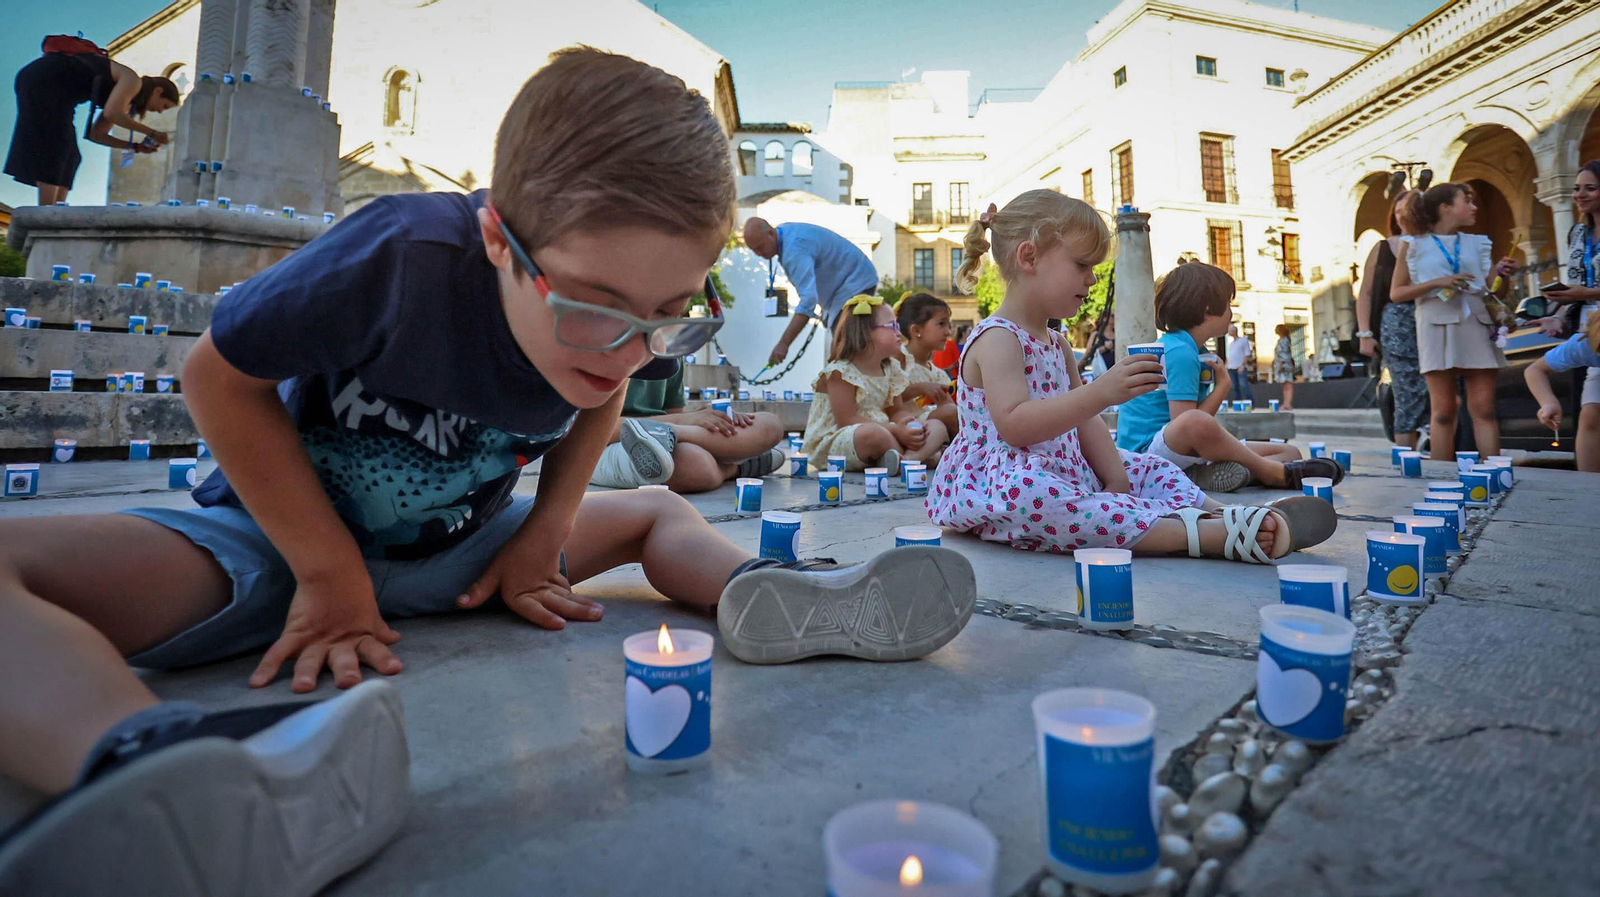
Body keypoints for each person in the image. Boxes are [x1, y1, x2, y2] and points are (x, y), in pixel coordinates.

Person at [0, 49, 978, 895]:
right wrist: (329, 574)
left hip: (466, 552)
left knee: (646, 515)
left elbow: (598, 399)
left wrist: (543, 537)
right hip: (279, 551)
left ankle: (782, 598)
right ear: (498, 240)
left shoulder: (635, 321)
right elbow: (216, 376)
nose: (632, 349)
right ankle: (155, 772)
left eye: (670, 313)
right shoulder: (397, 254)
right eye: (595, 307)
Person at [929, 194, 1336, 562]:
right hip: (1008, 482)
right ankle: (1201, 535)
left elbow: (1085, 423)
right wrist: (1100, 393)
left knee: (1150, 468)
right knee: (1043, 501)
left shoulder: (1056, 342)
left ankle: (1217, 511)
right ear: (1029, 257)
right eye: (1082, 265)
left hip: (1066, 466)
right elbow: (1015, 425)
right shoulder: (999, 338)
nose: (1091, 279)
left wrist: (1117, 478)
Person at [1114, 264, 1338, 493]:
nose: (1231, 313)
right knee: (1195, 423)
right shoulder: (1178, 352)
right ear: (1208, 308)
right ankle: (1271, 474)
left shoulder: (1194, 351)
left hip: (1175, 450)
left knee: (1290, 453)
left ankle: (1197, 477)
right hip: (1145, 456)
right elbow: (1186, 423)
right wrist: (1223, 386)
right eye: (1229, 304)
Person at [1391, 182, 1515, 461]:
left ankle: (1494, 474)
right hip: (1435, 325)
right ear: (1445, 207)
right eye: (1466, 201)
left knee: (1484, 409)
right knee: (1444, 411)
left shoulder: (1478, 242)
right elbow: (1396, 293)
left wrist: (1503, 274)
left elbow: (1493, 291)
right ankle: (1442, 477)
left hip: (1476, 322)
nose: (1473, 207)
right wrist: (1438, 282)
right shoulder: (1412, 245)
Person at [5, 39, 178, 205]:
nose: (160, 111)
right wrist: (152, 133)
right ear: (157, 91)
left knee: (72, 155)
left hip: (49, 85)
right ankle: (47, 214)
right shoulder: (132, 81)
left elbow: (96, 135)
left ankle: (57, 210)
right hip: (45, 78)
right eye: (164, 105)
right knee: (57, 146)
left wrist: (135, 147)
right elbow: (112, 114)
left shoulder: (125, 102)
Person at [800, 295, 948, 474]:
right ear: (866, 333)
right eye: (891, 327)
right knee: (873, 434)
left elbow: (896, 411)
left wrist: (908, 425)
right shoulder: (841, 372)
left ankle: (907, 460)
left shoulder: (891, 369)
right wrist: (895, 431)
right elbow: (847, 420)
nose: (899, 333)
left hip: (887, 431)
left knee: (936, 426)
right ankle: (923, 457)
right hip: (843, 438)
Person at [588, 365, 785, 492]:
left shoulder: (667, 346)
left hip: (668, 433)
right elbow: (592, 430)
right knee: (694, 462)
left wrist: (708, 416)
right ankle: (737, 467)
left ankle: (666, 433)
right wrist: (685, 420)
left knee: (770, 425)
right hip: (599, 444)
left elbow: (674, 412)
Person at [742, 218, 880, 367]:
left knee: (846, 350)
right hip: (847, 285)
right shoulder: (786, 232)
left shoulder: (794, 250)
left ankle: (849, 387)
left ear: (770, 234)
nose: (758, 253)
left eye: (760, 247)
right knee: (845, 349)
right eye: (753, 250)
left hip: (856, 281)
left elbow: (808, 301)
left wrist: (784, 343)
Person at [1532, 161, 1600, 444]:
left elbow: (1580, 290)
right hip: (1587, 330)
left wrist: (1585, 293)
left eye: (1590, 188)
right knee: (1590, 416)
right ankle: (1586, 488)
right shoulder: (1578, 233)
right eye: (1576, 189)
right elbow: (1572, 284)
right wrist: (1557, 315)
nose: (1580, 195)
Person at [1358, 189, 1429, 450]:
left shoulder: (1434, 243)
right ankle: (1406, 460)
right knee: (1406, 395)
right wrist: (1365, 333)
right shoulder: (1384, 247)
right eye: (1397, 212)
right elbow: (1365, 292)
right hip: (1397, 325)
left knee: (1444, 395)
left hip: (1433, 319)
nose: (1402, 218)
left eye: (1407, 212)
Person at [1525, 314, 1600, 471]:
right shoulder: (1583, 345)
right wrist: (1548, 402)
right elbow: (1535, 370)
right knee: (1591, 413)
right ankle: (1589, 484)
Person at [895, 292, 960, 434]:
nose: (948, 332)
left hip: (934, 430)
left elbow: (951, 410)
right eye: (941, 324)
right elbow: (885, 398)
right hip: (903, 426)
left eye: (949, 325)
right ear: (916, 330)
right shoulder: (897, 360)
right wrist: (920, 388)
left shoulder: (938, 374)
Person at [1225, 324, 1254, 403]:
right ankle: (1237, 403)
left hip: (1239, 367)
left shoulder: (1243, 341)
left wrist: (1243, 365)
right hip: (1231, 367)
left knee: (1243, 385)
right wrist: (1226, 366)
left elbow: (1246, 354)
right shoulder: (1231, 344)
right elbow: (1229, 356)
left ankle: (1250, 402)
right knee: (1235, 387)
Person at [1272, 323, 1299, 408]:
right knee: (1284, 385)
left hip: (1284, 365)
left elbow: (1285, 353)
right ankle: (1286, 403)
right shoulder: (1282, 340)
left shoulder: (1285, 340)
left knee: (1287, 384)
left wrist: (1282, 363)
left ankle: (1288, 403)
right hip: (1281, 364)